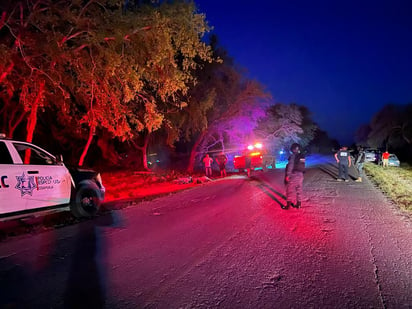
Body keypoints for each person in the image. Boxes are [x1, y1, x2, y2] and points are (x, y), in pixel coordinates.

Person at [283, 143, 305, 209]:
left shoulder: (293, 156)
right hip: (300, 175)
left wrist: (287, 175)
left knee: (289, 190)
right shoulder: (302, 156)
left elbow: (290, 166)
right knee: (299, 189)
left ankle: (288, 206)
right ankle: (299, 204)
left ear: (293, 149)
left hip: (294, 175)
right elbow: (303, 166)